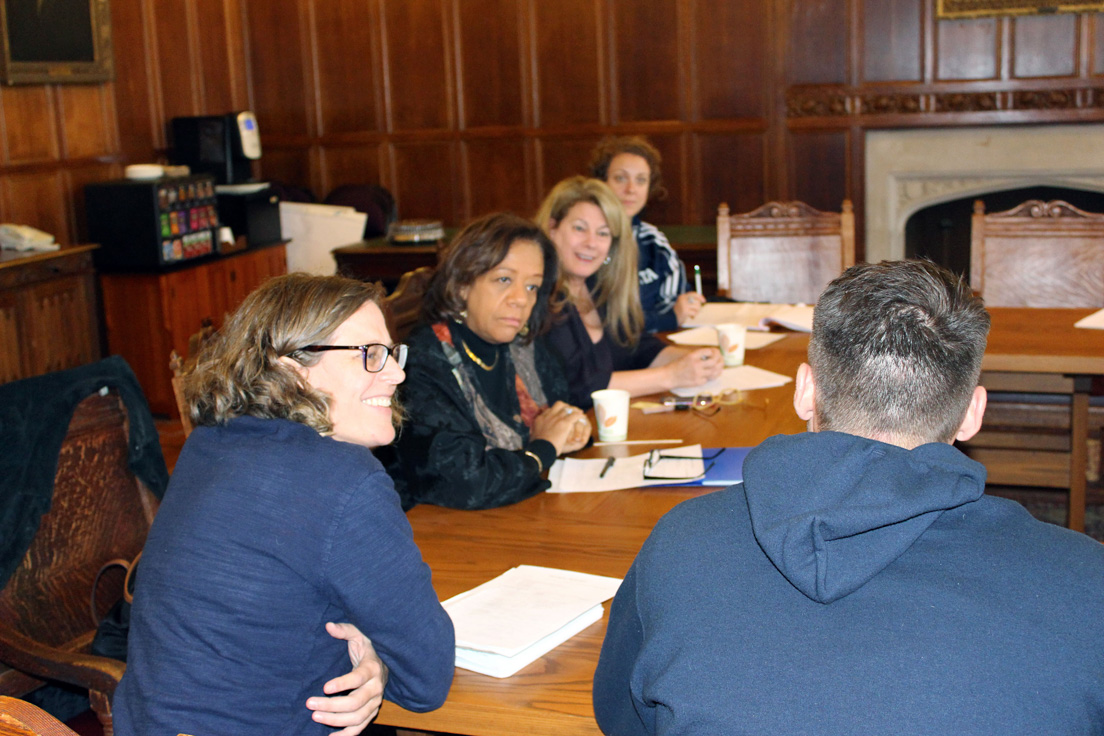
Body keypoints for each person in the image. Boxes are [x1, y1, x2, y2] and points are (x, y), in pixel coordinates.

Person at [592, 260, 1104, 734]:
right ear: (974, 412)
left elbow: (622, 719)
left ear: (805, 391)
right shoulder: (1087, 582)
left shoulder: (680, 543)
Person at [113, 274, 455, 736]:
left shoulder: (211, 444)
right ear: (293, 370)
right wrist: (381, 662)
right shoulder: (344, 481)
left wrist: (374, 655)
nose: (395, 372)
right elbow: (428, 679)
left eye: (392, 353)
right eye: (371, 355)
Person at [387, 212, 591, 510]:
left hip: (521, 514)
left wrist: (572, 428)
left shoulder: (523, 345)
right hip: (443, 533)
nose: (521, 299)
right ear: (462, 285)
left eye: (532, 286)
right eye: (504, 279)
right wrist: (545, 448)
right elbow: (466, 484)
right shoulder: (423, 364)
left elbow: (560, 411)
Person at [536, 176, 722, 409]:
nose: (591, 243)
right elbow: (577, 388)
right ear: (552, 229)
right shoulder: (541, 296)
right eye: (579, 228)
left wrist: (691, 360)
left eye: (603, 233)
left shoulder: (596, 287)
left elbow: (635, 347)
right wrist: (671, 376)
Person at [589, 136, 703, 331]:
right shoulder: (587, 243)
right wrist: (667, 318)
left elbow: (679, 301)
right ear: (602, 182)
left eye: (641, 180)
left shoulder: (654, 242)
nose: (631, 189)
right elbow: (601, 321)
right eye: (620, 178)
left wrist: (687, 305)